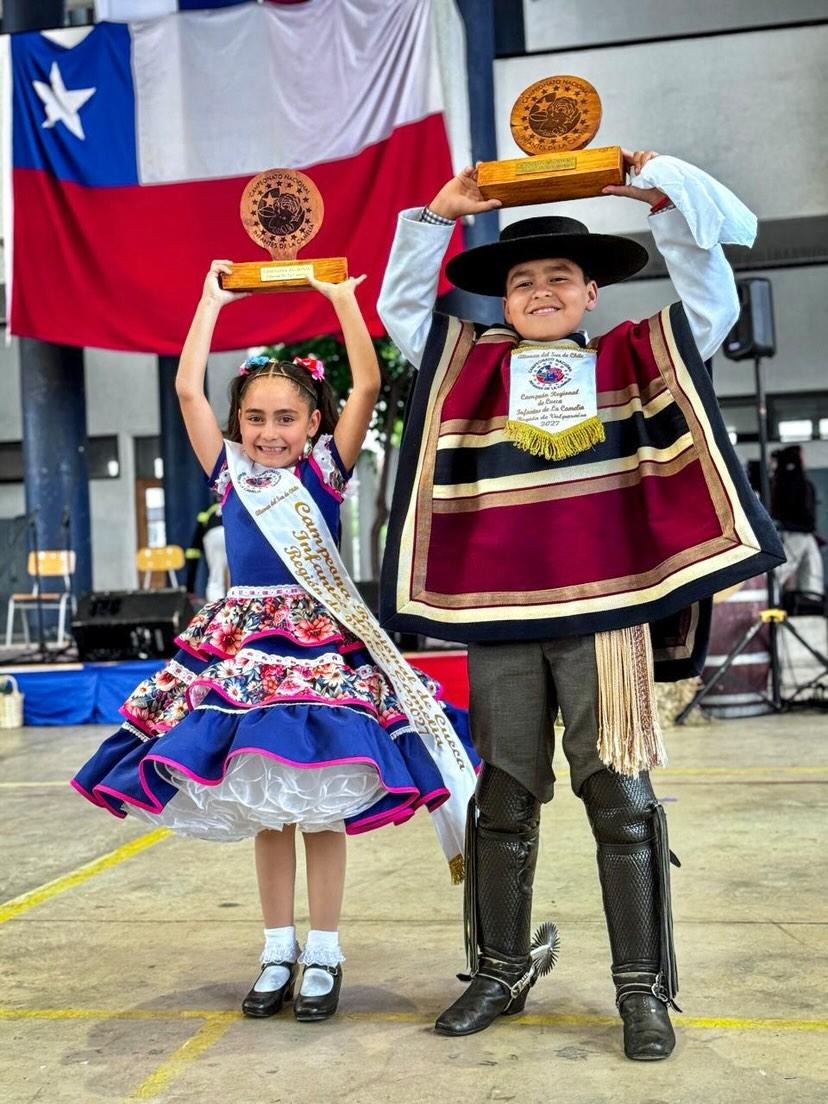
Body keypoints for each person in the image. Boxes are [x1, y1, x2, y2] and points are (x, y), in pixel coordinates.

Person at [377, 152, 784, 1059]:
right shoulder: (467, 370)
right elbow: (403, 311)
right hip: (506, 617)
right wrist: (435, 218)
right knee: (504, 800)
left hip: (607, 613)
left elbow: (711, 306)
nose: (541, 292)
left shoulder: (633, 358)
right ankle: (500, 970)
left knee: (621, 800)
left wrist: (670, 204)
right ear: (504, 301)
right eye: (523, 282)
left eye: (560, 277)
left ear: (592, 289)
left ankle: (642, 990)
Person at [72, 262, 477, 1023]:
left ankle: (325, 950)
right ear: (239, 425)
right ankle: (276, 947)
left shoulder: (326, 469)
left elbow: (364, 385)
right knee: (269, 808)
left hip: (320, 644)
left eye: (285, 417)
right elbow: (189, 389)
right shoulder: (226, 471)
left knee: (319, 806)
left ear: (311, 424)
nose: (267, 432)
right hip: (243, 648)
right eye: (255, 418)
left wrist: (340, 302)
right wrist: (208, 302)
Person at [770, 445, 824, 603]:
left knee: (812, 567)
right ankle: (767, 596)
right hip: (793, 534)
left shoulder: (794, 482)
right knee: (783, 570)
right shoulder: (789, 482)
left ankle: (811, 599)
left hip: (803, 533)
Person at [184, 497, 227, 602]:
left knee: (216, 578)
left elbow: (196, 541)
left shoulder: (206, 510)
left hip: (212, 535)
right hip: (231, 532)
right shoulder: (232, 505)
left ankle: (217, 611)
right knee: (236, 577)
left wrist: (190, 588)